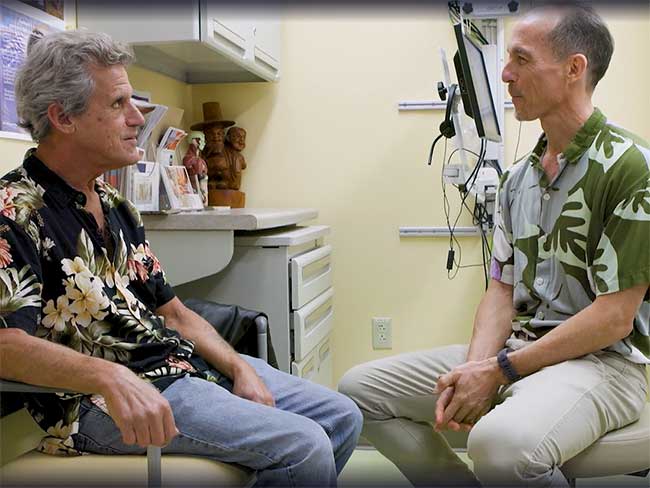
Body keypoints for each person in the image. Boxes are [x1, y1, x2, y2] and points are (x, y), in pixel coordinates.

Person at [1, 30, 362, 486]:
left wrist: (239, 368)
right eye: (118, 104)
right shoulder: (13, 212)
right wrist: (110, 377)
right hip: (96, 403)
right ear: (63, 118)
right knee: (304, 445)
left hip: (177, 368)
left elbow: (172, 312)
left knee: (342, 415)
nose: (138, 117)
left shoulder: (114, 204)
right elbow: (5, 345)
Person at [339, 5, 649, 487]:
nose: (506, 74)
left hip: (605, 364)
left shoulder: (631, 168)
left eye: (522, 60)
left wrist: (499, 370)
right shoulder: (517, 181)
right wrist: (475, 370)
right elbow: (500, 291)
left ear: (574, 68)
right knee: (359, 392)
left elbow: (615, 317)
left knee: (497, 445)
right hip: (518, 350)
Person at [223, 126, 248, 190]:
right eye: (238, 136)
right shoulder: (223, 153)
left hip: (236, 187)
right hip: (225, 186)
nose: (241, 140)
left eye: (243, 137)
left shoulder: (240, 157)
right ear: (228, 138)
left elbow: (244, 166)